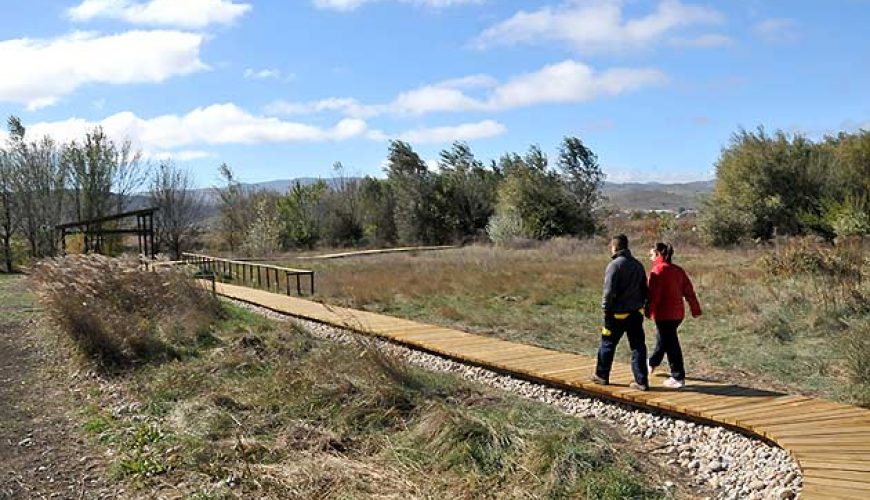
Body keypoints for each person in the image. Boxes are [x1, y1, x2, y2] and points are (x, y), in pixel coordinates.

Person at [591, 234, 650, 391]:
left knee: (607, 344)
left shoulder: (614, 265)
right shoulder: (638, 265)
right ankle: (641, 381)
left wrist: (605, 308)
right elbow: (645, 289)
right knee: (638, 346)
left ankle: (602, 376)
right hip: (636, 313)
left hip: (616, 314)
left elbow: (608, 291)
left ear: (615, 247)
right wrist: (645, 306)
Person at [646, 242, 702, 389]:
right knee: (664, 340)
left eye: (651, 254)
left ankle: (678, 376)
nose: (650, 257)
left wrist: (648, 311)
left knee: (670, 344)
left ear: (658, 254)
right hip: (678, 314)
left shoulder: (657, 270)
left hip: (664, 314)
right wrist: (695, 309)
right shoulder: (678, 270)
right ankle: (652, 363)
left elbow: (654, 296)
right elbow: (689, 291)